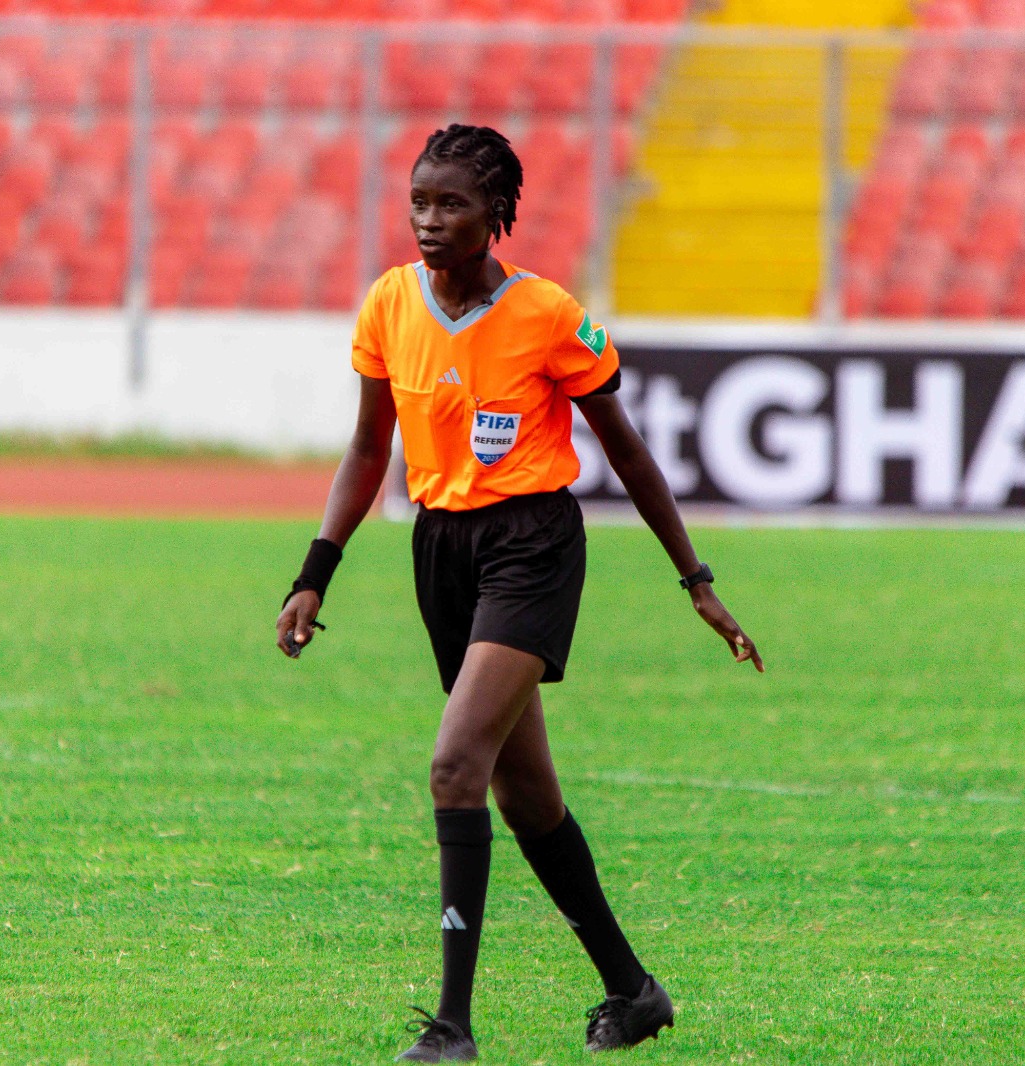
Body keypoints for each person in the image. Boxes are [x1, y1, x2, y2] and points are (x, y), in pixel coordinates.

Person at [275, 124, 763, 1062]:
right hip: (439, 551)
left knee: (455, 764)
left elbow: (624, 449)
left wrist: (694, 578)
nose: (429, 219)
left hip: (532, 545)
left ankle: (452, 1026)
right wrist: (314, 572)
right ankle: (633, 989)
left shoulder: (545, 314)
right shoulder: (389, 302)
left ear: (497, 216)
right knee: (526, 797)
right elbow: (369, 449)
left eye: (452, 203)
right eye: (419, 199)